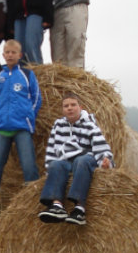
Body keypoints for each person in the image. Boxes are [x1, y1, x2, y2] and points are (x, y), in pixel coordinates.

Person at [0, 40, 41, 210]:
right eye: (7, 52)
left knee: (28, 165)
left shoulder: (27, 74)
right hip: (2, 127)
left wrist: (29, 116)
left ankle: (33, 199)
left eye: (13, 52)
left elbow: (36, 98)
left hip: (22, 127)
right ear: (3, 55)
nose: (10, 55)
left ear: (20, 55)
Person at [38, 93, 114, 226]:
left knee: (81, 161)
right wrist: (49, 170)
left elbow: (100, 144)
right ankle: (57, 206)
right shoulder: (58, 125)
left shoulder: (89, 125)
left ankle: (79, 209)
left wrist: (105, 161)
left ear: (80, 107)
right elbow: (51, 148)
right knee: (56, 164)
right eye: (66, 106)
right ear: (62, 110)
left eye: (73, 105)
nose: (70, 108)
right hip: (66, 161)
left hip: (87, 159)